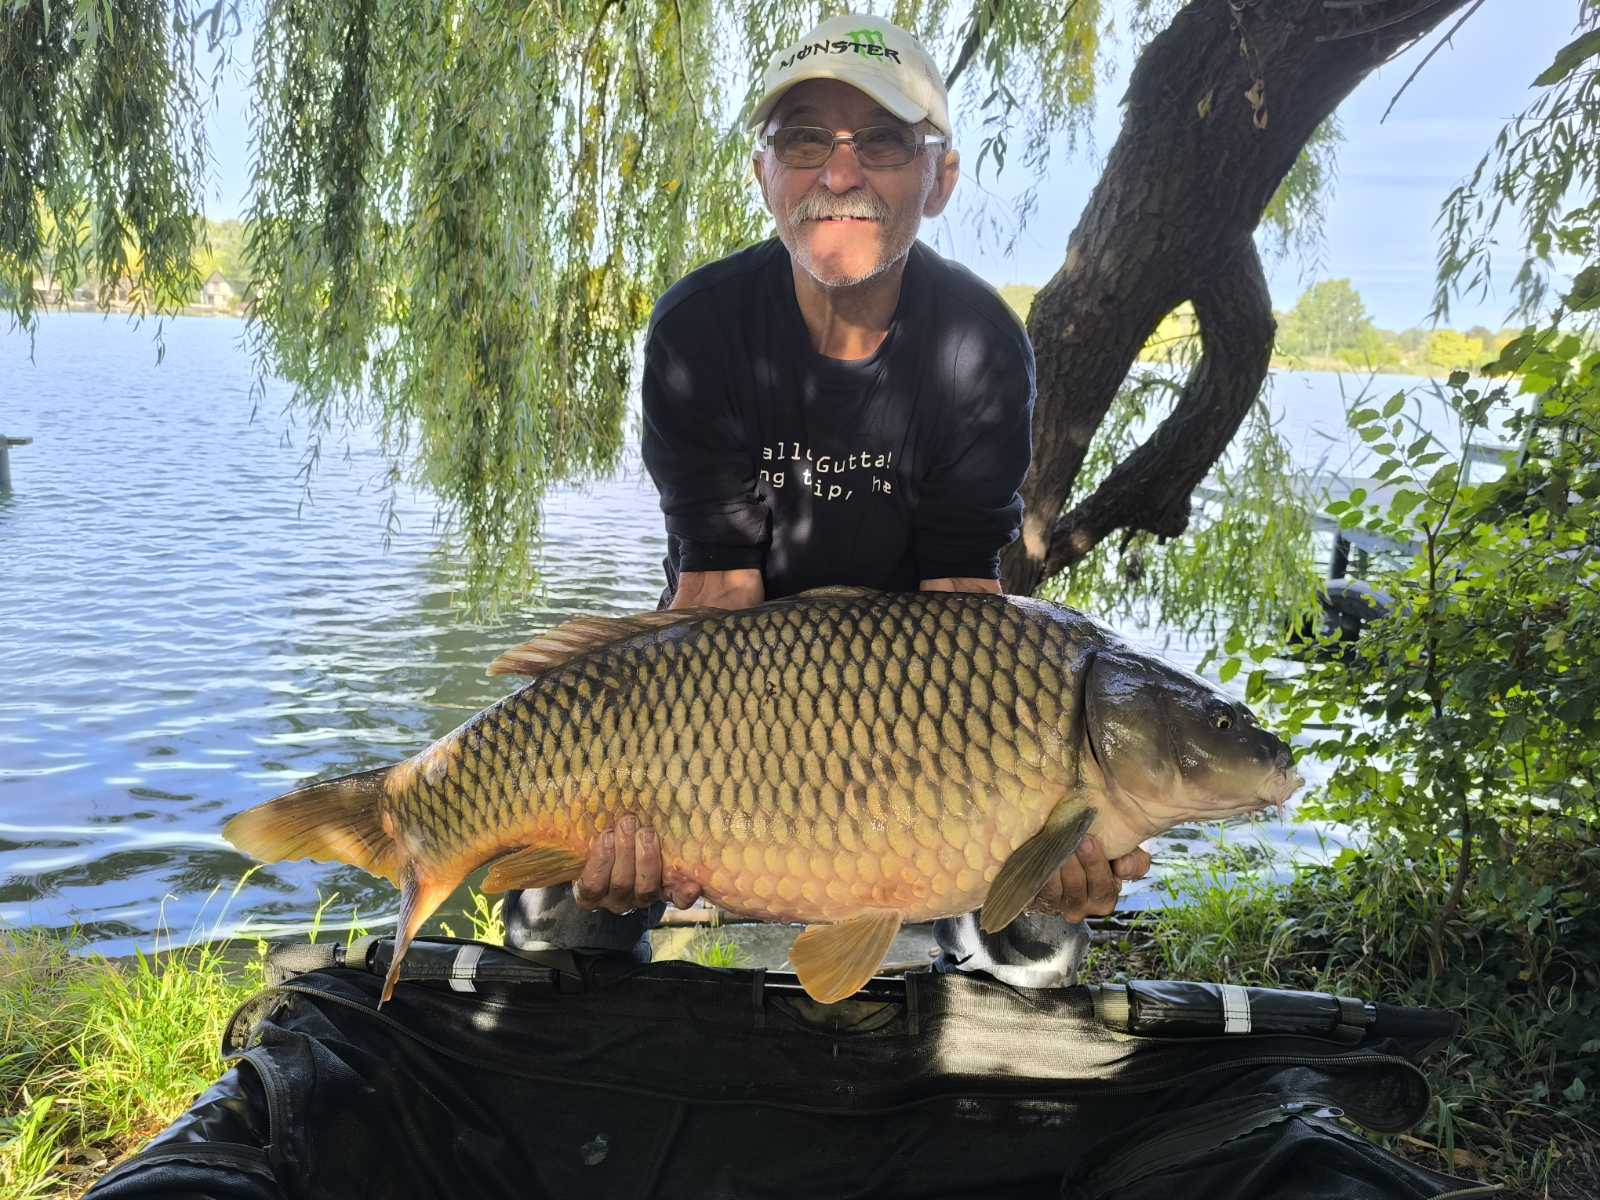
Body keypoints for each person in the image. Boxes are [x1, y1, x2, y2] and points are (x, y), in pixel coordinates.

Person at [503, 13, 1151, 977]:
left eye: (882, 142)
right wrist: (697, 807)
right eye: (805, 140)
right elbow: (714, 602)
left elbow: (964, 610)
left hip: (918, 702)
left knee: (1044, 912)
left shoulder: (978, 345)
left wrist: (984, 826)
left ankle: (985, 1006)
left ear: (940, 180)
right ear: (763, 174)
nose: (839, 173)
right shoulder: (702, 328)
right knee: (565, 910)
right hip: (716, 690)